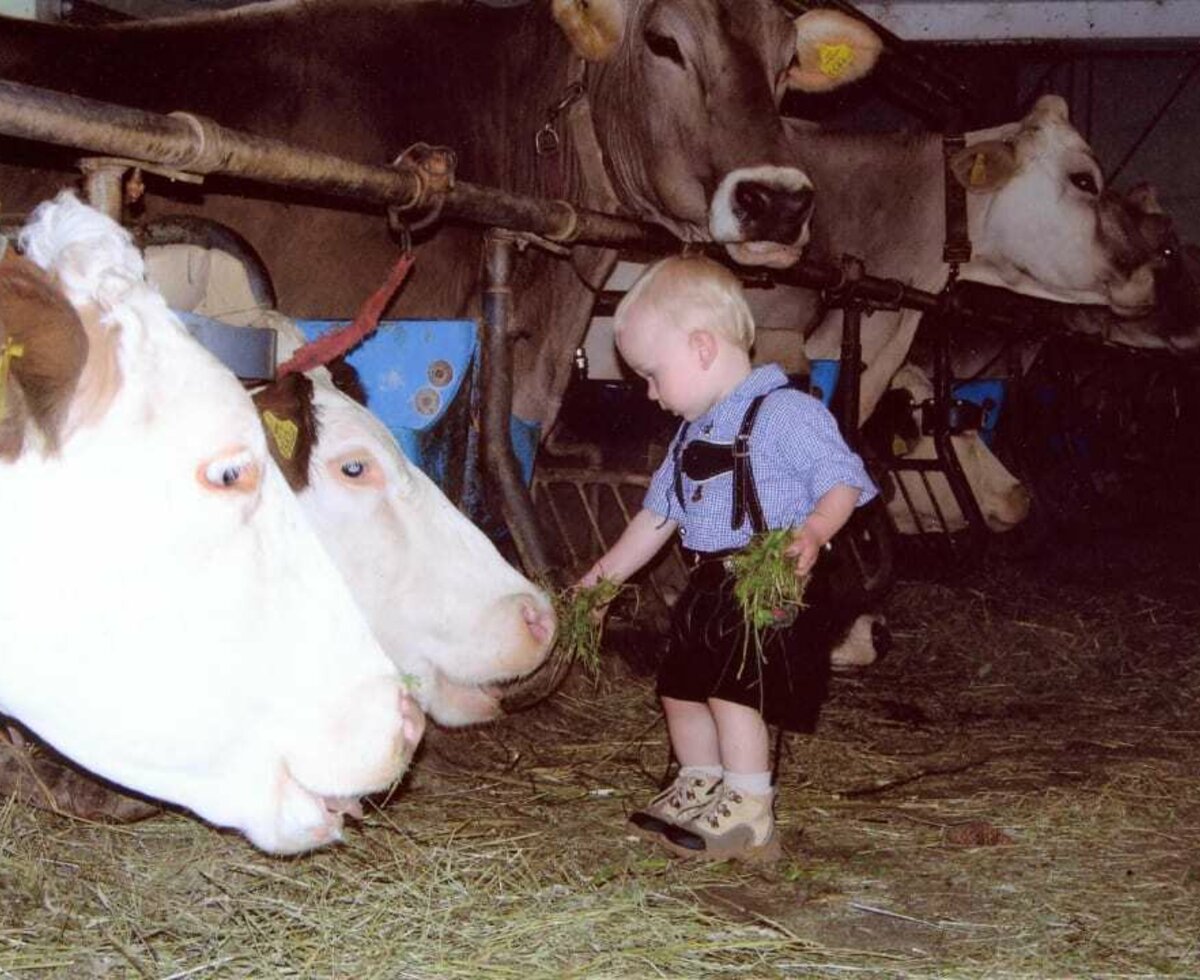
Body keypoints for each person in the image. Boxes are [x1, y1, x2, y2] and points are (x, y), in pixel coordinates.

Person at [577, 254, 877, 863]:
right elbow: (656, 519)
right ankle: (699, 781)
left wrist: (816, 531)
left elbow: (842, 478)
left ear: (702, 347)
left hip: (772, 578)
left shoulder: (786, 413)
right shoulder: (691, 435)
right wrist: (598, 581)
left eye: (653, 375)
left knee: (735, 691)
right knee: (680, 686)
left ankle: (749, 808)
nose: (652, 394)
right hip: (711, 581)